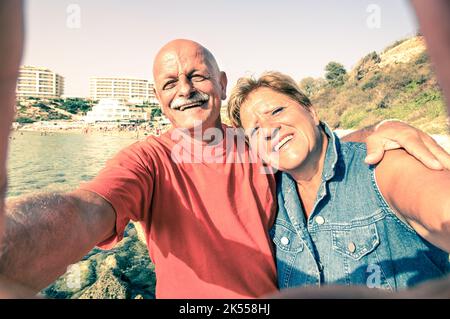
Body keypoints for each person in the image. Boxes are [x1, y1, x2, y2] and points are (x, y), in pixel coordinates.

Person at [1, 39, 449, 299]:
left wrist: (376, 129)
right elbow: (86, 209)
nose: (186, 91)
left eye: (198, 76)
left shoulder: (254, 141)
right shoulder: (147, 160)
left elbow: (306, 145)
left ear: (220, 83)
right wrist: (12, 242)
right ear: (159, 97)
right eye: (170, 83)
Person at [227, 71, 450, 292]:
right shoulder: (270, 200)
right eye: (255, 130)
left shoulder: (382, 166)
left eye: (277, 111)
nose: (268, 130)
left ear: (311, 112)